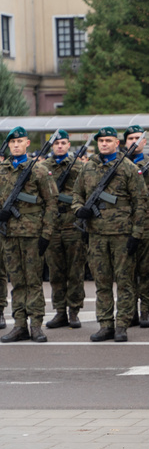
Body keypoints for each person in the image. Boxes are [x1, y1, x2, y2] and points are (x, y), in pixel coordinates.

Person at [72, 127, 146, 342]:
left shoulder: (128, 168)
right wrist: (79, 210)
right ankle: (105, 324)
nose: (104, 144)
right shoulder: (88, 169)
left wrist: (136, 234)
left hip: (122, 234)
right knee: (102, 283)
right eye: (101, 140)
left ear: (117, 143)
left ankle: (122, 325)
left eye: (108, 140)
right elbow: (76, 195)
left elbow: (141, 203)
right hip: (96, 235)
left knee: (124, 282)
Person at [0, 126, 58, 343]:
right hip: (9, 235)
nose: (15, 145)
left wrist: (46, 234)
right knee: (16, 281)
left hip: (33, 234)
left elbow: (52, 203)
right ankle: (19, 324)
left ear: (27, 144)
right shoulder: (2, 170)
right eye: (12, 142)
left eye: (19, 142)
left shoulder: (39, 170)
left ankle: (36, 325)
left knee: (33, 281)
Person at [43, 130, 86, 330]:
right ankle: (60, 311)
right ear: (52, 146)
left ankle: (74, 311)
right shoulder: (42, 168)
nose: (59, 146)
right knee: (56, 273)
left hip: (73, 225)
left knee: (75, 271)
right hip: (52, 227)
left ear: (69, 145)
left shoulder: (79, 167)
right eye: (56, 143)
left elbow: (85, 193)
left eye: (63, 143)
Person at [124, 125, 149, 329]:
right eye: (131, 138)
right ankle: (129, 312)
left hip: (147, 226)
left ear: (145, 142)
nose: (134, 141)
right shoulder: (118, 164)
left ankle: (145, 311)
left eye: (139, 138)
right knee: (126, 273)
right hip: (122, 227)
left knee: (145, 271)